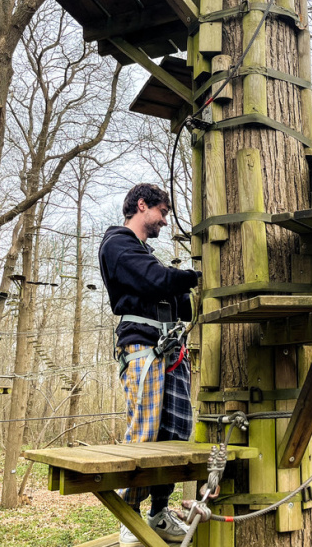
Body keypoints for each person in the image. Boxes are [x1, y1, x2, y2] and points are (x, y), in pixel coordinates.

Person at [99, 183, 201, 547]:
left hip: (169, 349)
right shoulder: (118, 245)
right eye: (162, 212)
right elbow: (157, 280)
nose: (163, 221)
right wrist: (196, 276)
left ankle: (159, 510)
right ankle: (130, 516)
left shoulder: (145, 253)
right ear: (142, 206)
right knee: (145, 432)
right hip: (142, 346)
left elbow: (178, 299)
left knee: (176, 432)